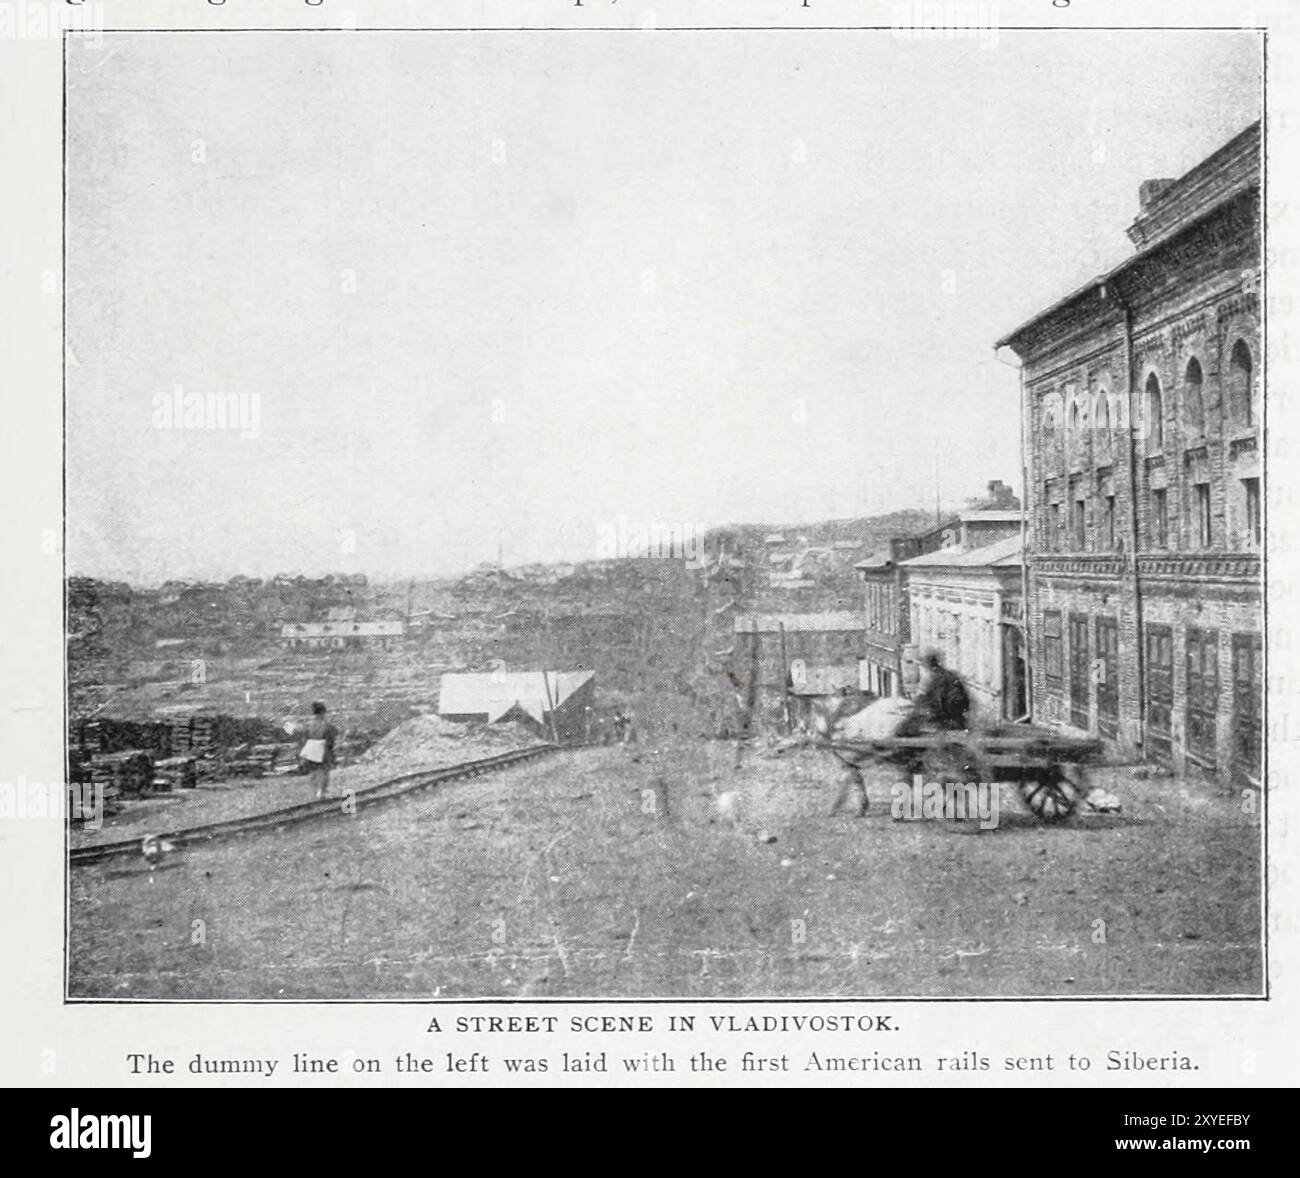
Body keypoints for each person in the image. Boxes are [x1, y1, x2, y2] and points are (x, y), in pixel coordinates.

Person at [912, 651, 971, 732]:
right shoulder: (950, 675)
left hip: (940, 721)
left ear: (926, 665)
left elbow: (920, 698)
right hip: (957, 719)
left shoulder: (929, 677)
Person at [292, 702, 338, 798]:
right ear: (323, 712)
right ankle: (322, 791)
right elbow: (331, 738)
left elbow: (303, 738)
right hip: (323, 748)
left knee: (313, 771)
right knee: (324, 770)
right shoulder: (327, 725)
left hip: (310, 748)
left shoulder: (308, 725)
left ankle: (315, 791)